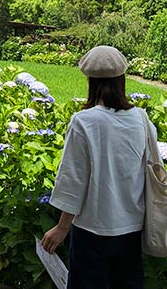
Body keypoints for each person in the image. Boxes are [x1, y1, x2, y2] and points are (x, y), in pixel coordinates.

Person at [41, 45, 156, 289]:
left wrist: (62, 228)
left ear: (90, 81)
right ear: (122, 79)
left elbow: (74, 179)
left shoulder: (84, 121)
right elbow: (152, 170)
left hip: (93, 232)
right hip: (132, 230)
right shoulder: (141, 119)